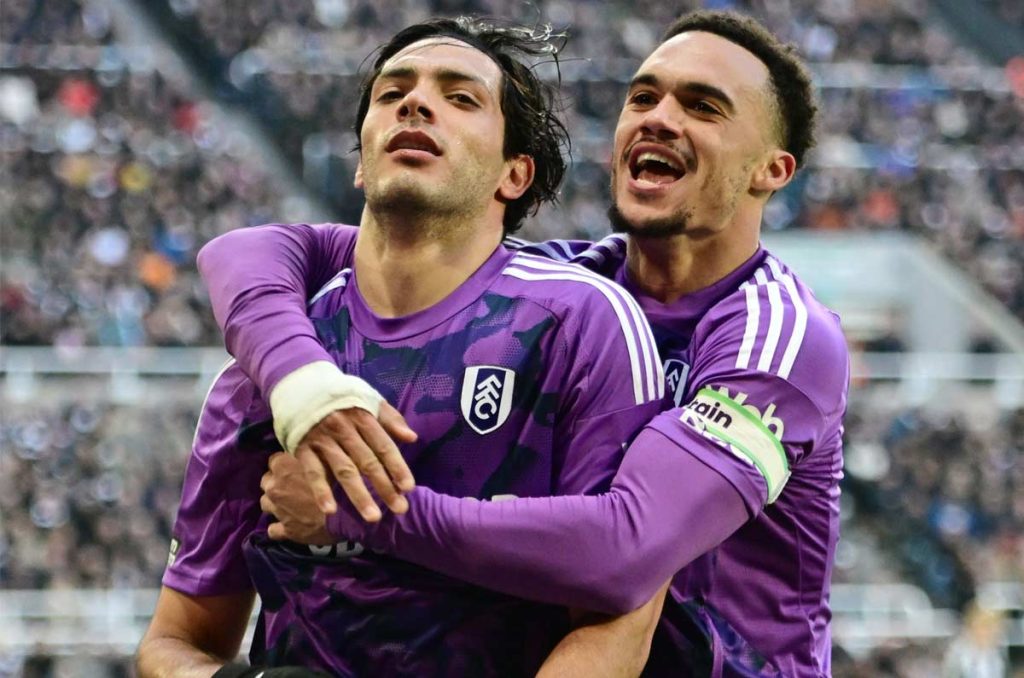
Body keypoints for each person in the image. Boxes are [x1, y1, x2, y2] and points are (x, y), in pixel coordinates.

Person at [198, 10, 849, 676]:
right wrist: (302, 382)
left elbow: (628, 546)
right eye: (643, 97)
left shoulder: (780, 341)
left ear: (773, 169)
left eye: (703, 107)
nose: (659, 118)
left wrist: (357, 511)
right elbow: (256, 252)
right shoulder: (561, 291)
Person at [136, 17, 668, 677]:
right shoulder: (271, 366)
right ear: (361, 164)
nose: (415, 103)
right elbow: (174, 642)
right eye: (393, 93)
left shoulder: (580, 322)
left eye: (461, 97)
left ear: (514, 174)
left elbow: (619, 622)